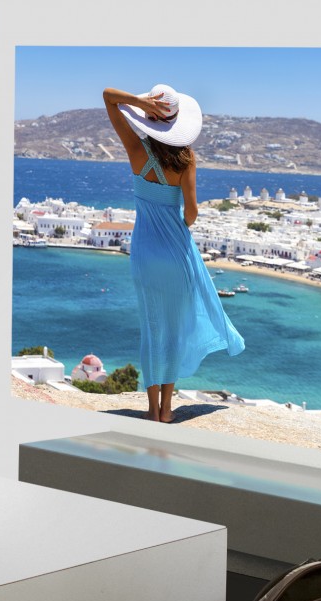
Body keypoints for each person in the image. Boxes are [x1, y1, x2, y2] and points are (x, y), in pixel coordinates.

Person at [104, 84, 245, 422]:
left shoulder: (136, 151)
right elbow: (191, 214)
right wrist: (178, 215)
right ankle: (167, 409)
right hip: (176, 254)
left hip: (145, 255)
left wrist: (137, 102)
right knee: (174, 330)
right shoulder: (186, 160)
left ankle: (151, 410)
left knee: (152, 329)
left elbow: (109, 97)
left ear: (151, 120)